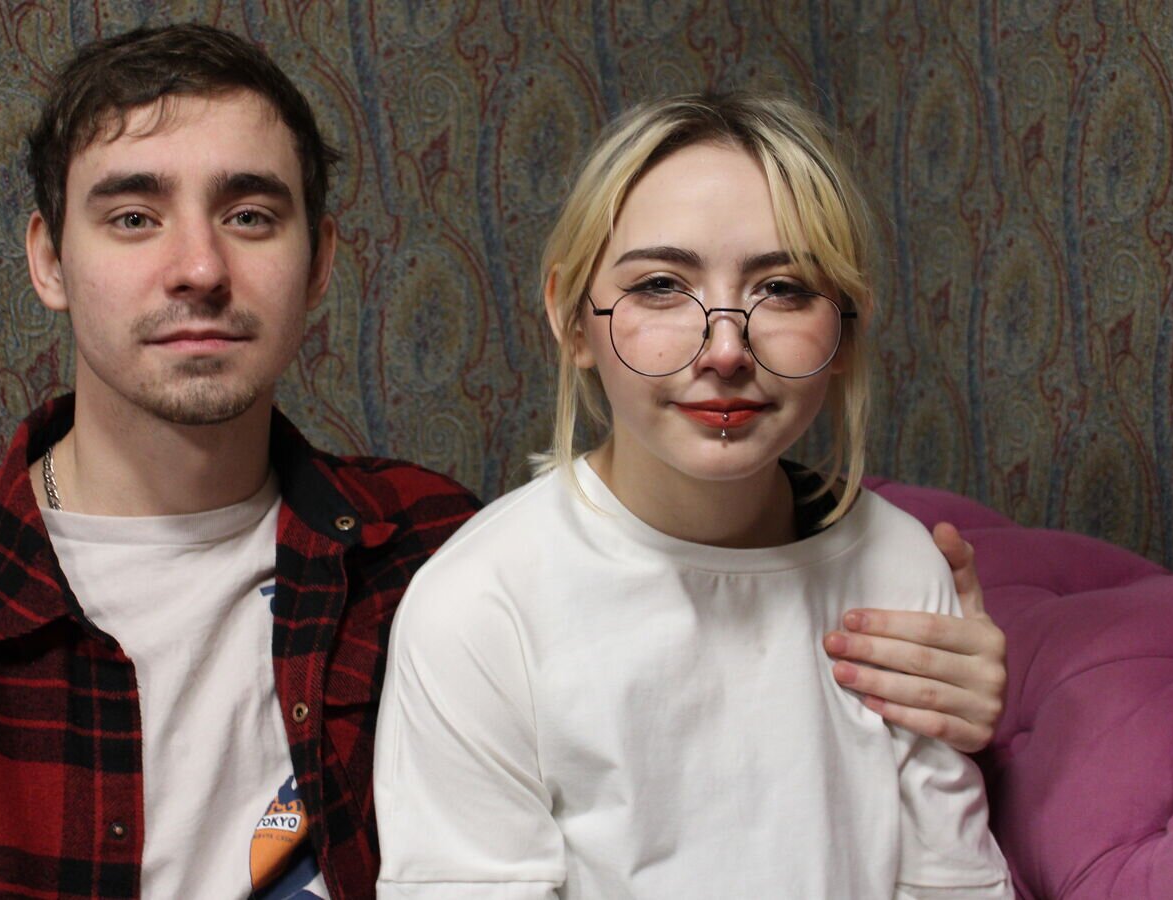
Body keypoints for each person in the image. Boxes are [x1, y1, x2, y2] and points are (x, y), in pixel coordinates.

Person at [0, 25, 1005, 900]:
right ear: (48, 260)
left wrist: (938, 631)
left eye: (250, 213)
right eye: (132, 214)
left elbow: (674, 548)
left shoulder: (418, 544)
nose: (197, 266)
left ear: (319, 263)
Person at [374, 93, 1013, 898]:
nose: (726, 349)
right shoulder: (479, 606)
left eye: (782, 287)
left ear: (847, 329)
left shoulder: (899, 568)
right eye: (660, 286)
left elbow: (952, 884)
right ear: (572, 320)